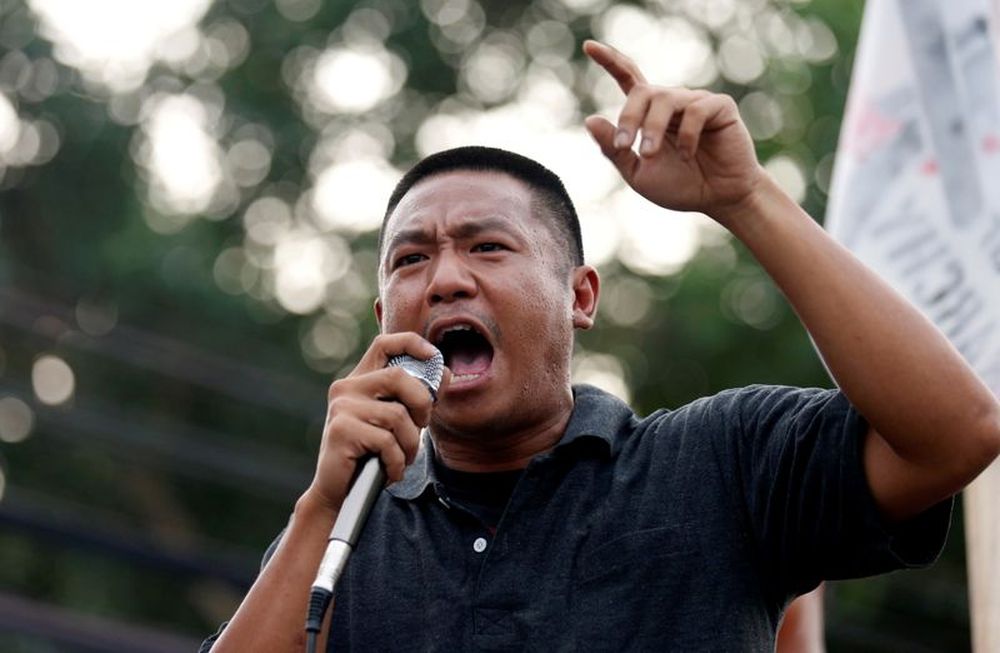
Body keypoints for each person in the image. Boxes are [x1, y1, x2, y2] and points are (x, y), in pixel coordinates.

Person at [202, 40, 1000, 651]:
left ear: (579, 296)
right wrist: (320, 506)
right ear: (384, 318)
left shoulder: (719, 464)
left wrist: (747, 200)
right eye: (411, 259)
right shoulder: (345, 535)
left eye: (487, 247)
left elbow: (955, 433)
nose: (444, 278)